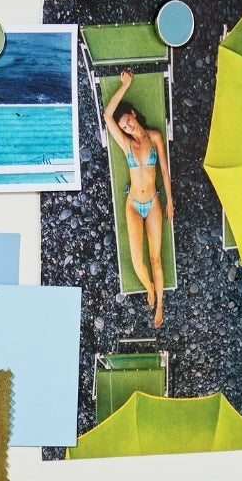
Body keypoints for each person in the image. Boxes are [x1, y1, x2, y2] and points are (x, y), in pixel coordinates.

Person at [104, 69, 174, 327]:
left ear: (133, 114)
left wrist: (170, 200)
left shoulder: (154, 136)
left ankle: (160, 307)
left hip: (154, 203)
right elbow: (107, 116)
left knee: (155, 257)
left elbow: (164, 171)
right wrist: (125, 85)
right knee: (137, 261)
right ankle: (149, 288)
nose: (127, 127)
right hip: (133, 205)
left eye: (128, 121)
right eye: (123, 127)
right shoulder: (126, 145)